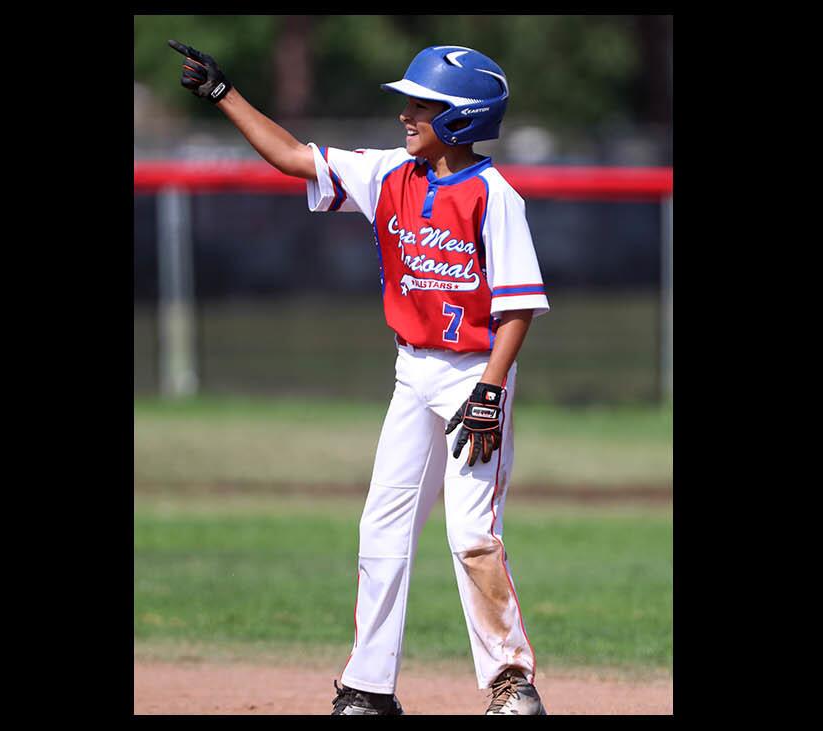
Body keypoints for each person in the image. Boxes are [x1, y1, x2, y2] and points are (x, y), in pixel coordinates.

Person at [169, 40, 550, 716]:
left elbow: (517, 307)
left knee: (471, 531)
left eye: (422, 104)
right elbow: (294, 157)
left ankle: (511, 683)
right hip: (414, 371)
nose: (406, 114)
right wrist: (224, 95)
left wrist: (491, 390)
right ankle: (368, 686)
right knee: (382, 526)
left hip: (474, 377)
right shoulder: (386, 174)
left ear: (461, 118)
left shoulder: (495, 197)